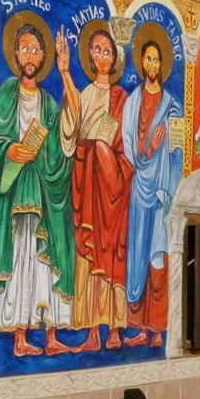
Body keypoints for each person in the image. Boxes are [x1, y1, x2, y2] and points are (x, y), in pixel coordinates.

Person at [0, 19, 75, 356]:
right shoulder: (6, 95)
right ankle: (20, 336)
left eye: (36, 50)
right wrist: (9, 149)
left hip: (42, 190)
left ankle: (50, 335)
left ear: (43, 56)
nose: (30, 55)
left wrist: (65, 73)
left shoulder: (49, 103)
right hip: (15, 189)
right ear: (16, 53)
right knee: (20, 257)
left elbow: (65, 141)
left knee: (44, 264)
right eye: (25, 49)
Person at [57, 26, 131, 352]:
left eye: (107, 51)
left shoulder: (121, 98)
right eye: (97, 50)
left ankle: (114, 327)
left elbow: (123, 140)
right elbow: (72, 128)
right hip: (87, 180)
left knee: (112, 252)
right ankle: (91, 331)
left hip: (112, 185)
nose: (102, 56)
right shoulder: (85, 93)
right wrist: (64, 74)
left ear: (115, 58)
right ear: (90, 55)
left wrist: (102, 149)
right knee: (87, 255)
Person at [122, 35, 182, 348]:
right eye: (147, 59)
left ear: (162, 64)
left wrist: (170, 188)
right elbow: (127, 141)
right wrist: (145, 154)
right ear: (141, 62)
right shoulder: (133, 101)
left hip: (161, 192)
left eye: (156, 59)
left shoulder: (172, 106)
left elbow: (178, 151)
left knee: (158, 256)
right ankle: (140, 328)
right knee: (138, 254)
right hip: (139, 185)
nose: (152, 64)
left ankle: (158, 329)